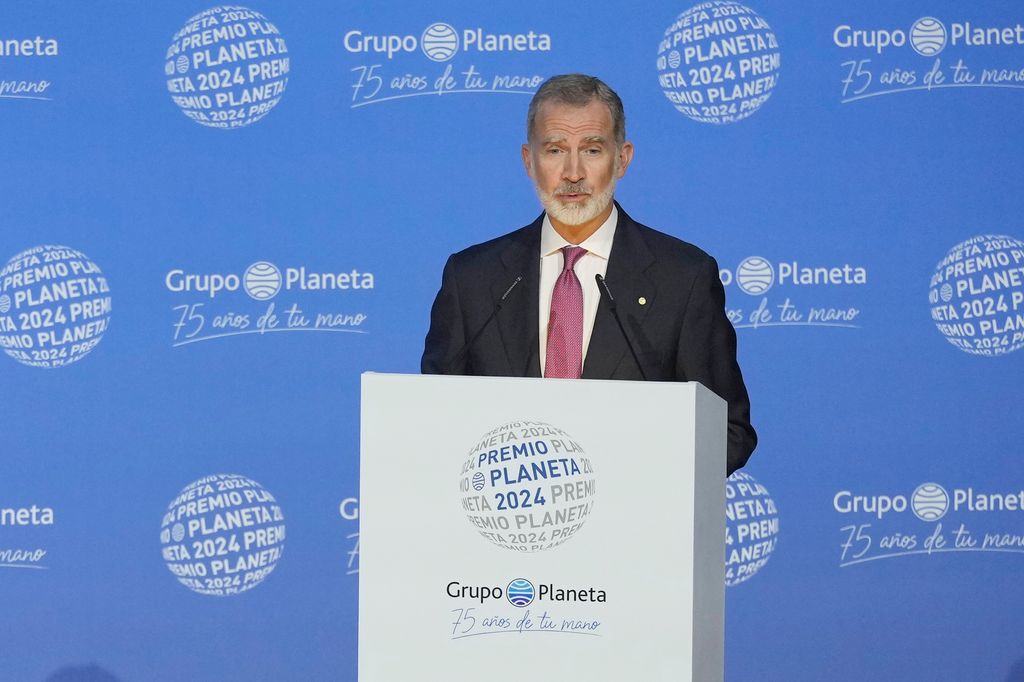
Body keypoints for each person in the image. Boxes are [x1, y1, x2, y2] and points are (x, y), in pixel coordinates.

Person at [422, 74, 756, 475]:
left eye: (592, 150)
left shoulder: (683, 278)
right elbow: (432, 420)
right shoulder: (472, 279)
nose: (573, 172)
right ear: (529, 160)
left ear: (622, 159)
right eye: (555, 150)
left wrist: (640, 478)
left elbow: (727, 432)